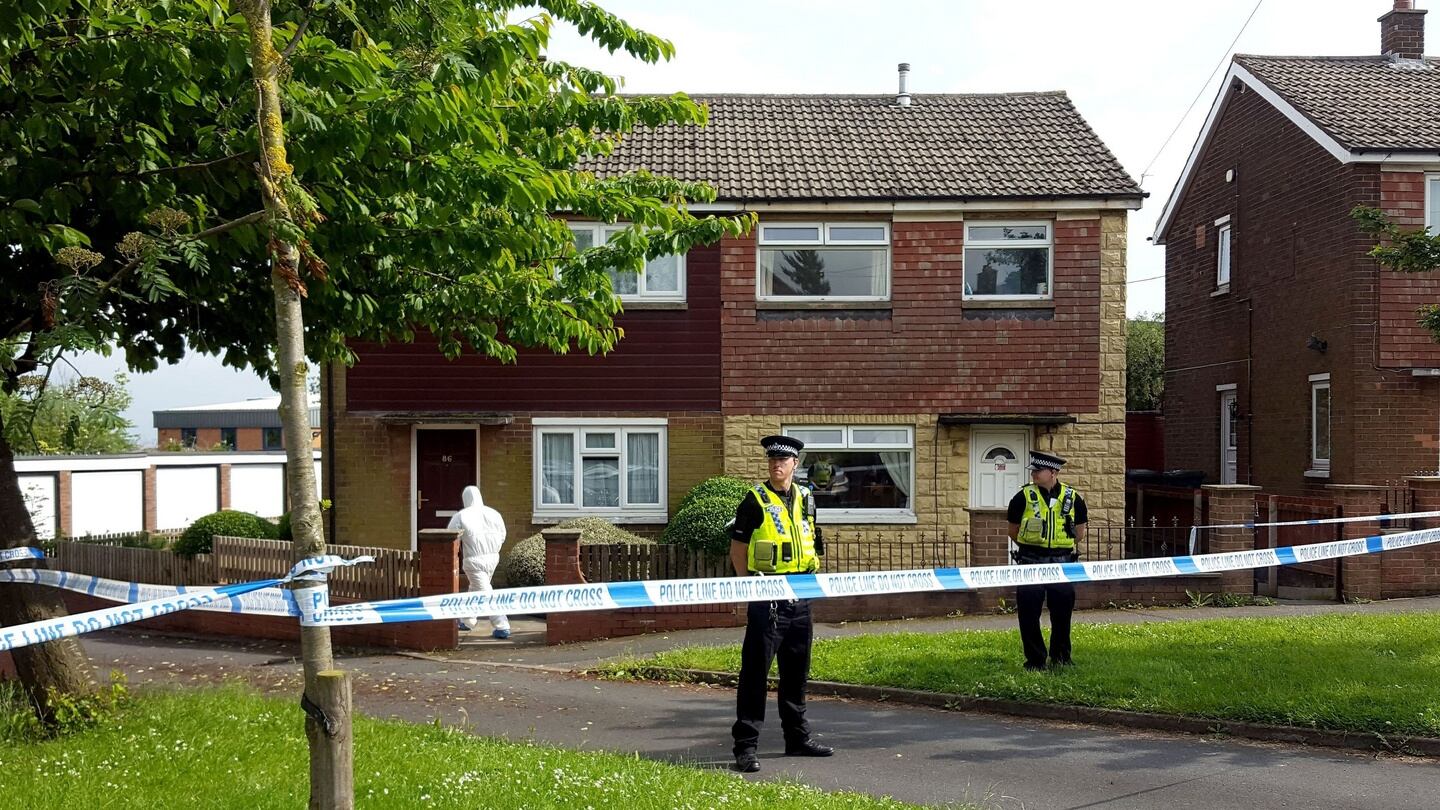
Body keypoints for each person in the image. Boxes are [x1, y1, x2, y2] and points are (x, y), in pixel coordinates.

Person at [727, 434, 834, 773]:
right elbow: (737, 548)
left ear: (794, 465)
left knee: (796, 672)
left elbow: (813, 541)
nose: (776, 464)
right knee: (755, 673)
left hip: (801, 594)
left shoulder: (807, 497)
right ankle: (745, 747)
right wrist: (750, 588)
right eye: (772, 459)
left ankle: (796, 738)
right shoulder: (754, 499)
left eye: (783, 460)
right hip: (768, 596)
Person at [1006, 450, 1087, 671]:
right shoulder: (1022, 497)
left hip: (1062, 563)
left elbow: (1079, 533)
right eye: (1033, 470)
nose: (1033, 474)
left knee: (1062, 613)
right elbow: (1013, 531)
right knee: (1029, 613)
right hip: (1031, 561)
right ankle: (1035, 660)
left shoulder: (1072, 498)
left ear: (1053, 472)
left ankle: (1061, 657)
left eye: (1038, 470)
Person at [446, 485, 511, 639]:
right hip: (493, 557)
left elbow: (448, 536)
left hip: (473, 560)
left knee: (486, 593)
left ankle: (502, 625)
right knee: (477, 589)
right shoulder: (494, 513)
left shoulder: (462, 515)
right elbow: (503, 534)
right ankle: (468, 620)